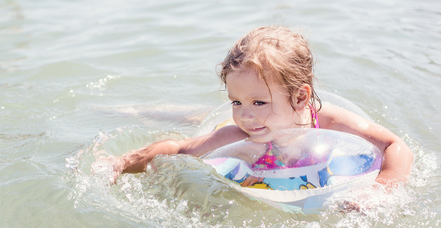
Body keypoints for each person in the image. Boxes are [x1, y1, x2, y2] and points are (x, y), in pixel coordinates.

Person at [93, 26, 413, 187]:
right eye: (236, 101)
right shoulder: (236, 134)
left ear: (300, 98)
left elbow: (396, 145)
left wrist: (384, 187)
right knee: (193, 121)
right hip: (223, 135)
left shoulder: (327, 120)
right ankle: (133, 109)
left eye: (259, 102)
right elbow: (179, 149)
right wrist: (120, 163)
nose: (246, 114)